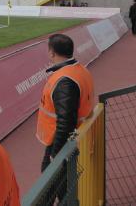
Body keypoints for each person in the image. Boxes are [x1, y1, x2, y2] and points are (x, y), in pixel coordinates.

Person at [36, 34, 94, 201]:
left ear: (52, 53)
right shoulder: (79, 70)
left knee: (48, 189)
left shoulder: (64, 80)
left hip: (60, 142)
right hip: (73, 139)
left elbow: (66, 120)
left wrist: (56, 154)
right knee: (63, 189)